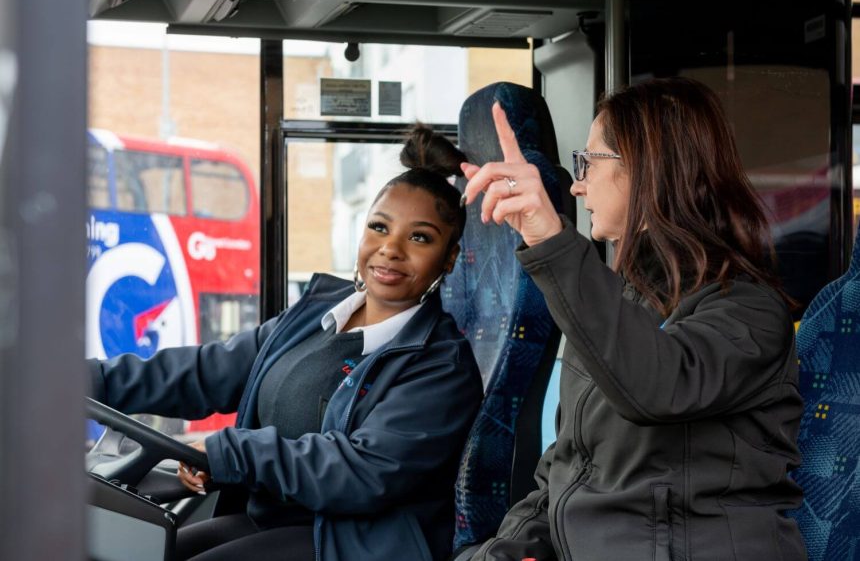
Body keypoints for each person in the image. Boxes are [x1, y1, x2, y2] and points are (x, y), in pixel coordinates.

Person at [89, 125, 484, 561]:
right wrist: (93, 381)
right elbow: (207, 371)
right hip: (271, 520)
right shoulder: (316, 316)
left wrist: (233, 453)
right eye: (379, 227)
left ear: (449, 258)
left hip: (351, 543)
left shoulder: (442, 364)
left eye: (420, 237)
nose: (390, 248)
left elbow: (363, 471)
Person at [460, 77, 806, 560]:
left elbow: (656, 387)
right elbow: (564, 476)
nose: (577, 184)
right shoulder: (614, 305)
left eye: (588, 162)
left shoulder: (748, 311)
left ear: (647, 170)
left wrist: (551, 240)